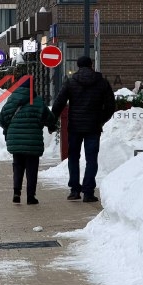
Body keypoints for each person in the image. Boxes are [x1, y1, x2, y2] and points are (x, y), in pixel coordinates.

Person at [52, 56, 116, 203]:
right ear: (91, 65)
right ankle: (88, 192)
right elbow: (111, 106)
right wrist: (101, 119)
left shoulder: (71, 82)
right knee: (91, 159)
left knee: (73, 157)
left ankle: (74, 190)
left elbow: (59, 102)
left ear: (78, 66)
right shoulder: (102, 82)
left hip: (75, 126)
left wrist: (52, 120)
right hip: (93, 126)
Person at [0, 78, 58, 205]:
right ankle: (31, 197)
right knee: (32, 169)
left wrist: (10, 128)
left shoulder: (11, 100)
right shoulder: (37, 101)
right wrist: (50, 125)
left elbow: (2, 120)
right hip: (33, 141)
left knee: (17, 166)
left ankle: (16, 193)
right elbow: (49, 118)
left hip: (16, 141)